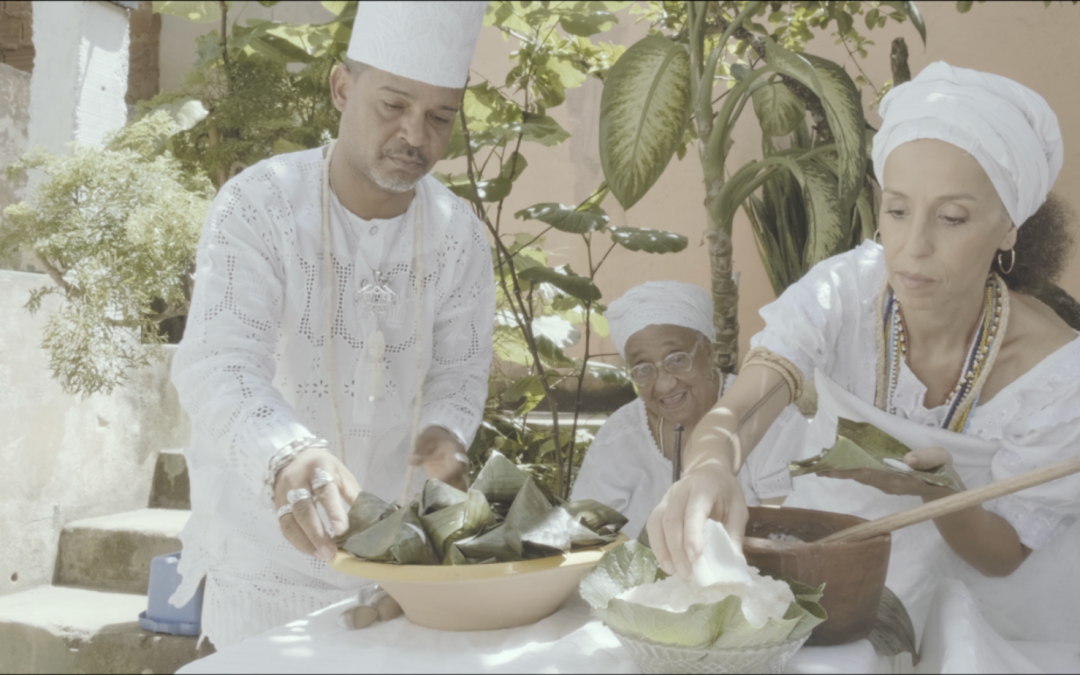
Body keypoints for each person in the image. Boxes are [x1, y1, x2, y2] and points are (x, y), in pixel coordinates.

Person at [647, 62, 1080, 671]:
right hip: (828, 572)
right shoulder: (847, 293)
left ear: (1009, 225)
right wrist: (711, 468)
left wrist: (942, 493)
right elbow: (748, 405)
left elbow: (1003, 556)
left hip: (983, 604)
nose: (913, 246)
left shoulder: (1056, 374)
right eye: (898, 211)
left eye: (951, 218)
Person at [168, 1, 494, 648]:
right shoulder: (260, 203)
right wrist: (287, 456)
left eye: (439, 117)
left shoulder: (459, 235)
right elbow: (220, 363)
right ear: (343, 89)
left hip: (396, 577)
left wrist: (444, 437)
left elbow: (460, 371)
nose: (415, 136)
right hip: (261, 572)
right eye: (392, 105)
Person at [570, 281, 807, 538]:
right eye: (643, 368)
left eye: (678, 359)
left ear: (709, 352)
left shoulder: (770, 419)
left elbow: (789, 529)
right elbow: (589, 533)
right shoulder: (620, 435)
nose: (664, 384)